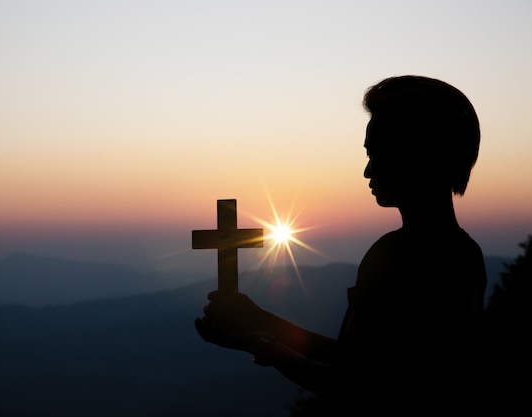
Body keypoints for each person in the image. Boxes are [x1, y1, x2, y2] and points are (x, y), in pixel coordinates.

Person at [195, 75, 487, 413]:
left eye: (380, 153)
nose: (368, 170)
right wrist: (258, 319)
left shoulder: (407, 256)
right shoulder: (461, 252)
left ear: (421, 154)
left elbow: (357, 387)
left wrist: (259, 343)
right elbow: (356, 359)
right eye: (369, 154)